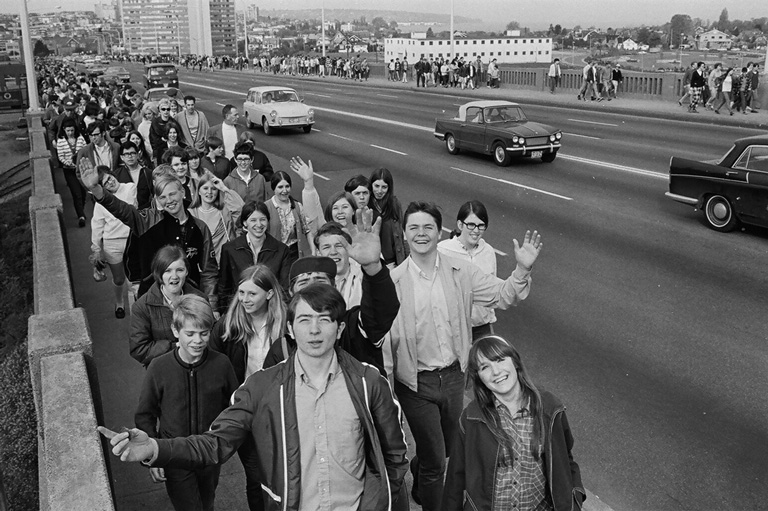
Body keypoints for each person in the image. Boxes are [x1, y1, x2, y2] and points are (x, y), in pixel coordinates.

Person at [98, 284, 409, 511]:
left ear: (339, 328)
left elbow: (395, 457)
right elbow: (213, 443)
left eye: (324, 319)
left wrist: (381, 500)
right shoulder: (262, 388)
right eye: (304, 320)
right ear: (289, 327)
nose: (315, 330)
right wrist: (155, 447)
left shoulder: (369, 383)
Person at [388, 201, 542, 511]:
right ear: (404, 234)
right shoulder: (393, 282)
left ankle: (421, 469)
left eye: (428, 227)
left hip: (455, 377)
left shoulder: (460, 271)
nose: (421, 234)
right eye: (414, 227)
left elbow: (502, 295)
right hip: (415, 382)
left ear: (440, 231)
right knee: (436, 462)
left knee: (444, 448)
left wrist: (522, 269)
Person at [442, 336, 585, 511]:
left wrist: (574, 499)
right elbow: (456, 476)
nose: (496, 372)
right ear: (479, 377)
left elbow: (565, 459)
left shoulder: (549, 408)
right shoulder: (472, 418)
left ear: (515, 361)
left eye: (499, 360)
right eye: (485, 367)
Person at [135, 294, 238, 511]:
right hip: (175, 456)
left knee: (207, 502)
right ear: (175, 331)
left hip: (209, 455)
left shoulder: (222, 364)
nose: (198, 341)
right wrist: (153, 456)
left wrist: (224, 443)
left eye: (204, 333)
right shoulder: (159, 367)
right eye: (190, 334)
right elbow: (145, 414)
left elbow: (234, 408)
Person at [79, 161, 219, 303]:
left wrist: (212, 305)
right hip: (154, 301)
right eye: (163, 197)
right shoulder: (147, 220)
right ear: (157, 198)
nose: (169, 201)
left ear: (182, 192)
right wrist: (96, 189)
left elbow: (209, 272)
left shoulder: (200, 227)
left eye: (172, 194)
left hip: (190, 300)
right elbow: (122, 210)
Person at [209, 264, 287, 510]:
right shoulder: (227, 326)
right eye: (241, 293)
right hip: (246, 412)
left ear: (270, 294)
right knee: (256, 477)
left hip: (280, 411)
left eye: (252, 294)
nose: (244, 299)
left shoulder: (286, 325)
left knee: (284, 471)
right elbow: (212, 369)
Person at [129, 246, 209, 366]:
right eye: (168, 270)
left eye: (180, 270)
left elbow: (210, 337)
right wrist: (177, 346)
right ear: (158, 273)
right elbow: (139, 350)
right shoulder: (142, 307)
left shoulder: (201, 299)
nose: (174, 276)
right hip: (163, 371)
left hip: (198, 368)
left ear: (187, 271)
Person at [438, 200, 498, 339]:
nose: (476, 231)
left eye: (481, 226)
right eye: (471, 225)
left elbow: (492, 290)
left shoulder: (488, 251)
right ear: (460, 225)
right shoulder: (443, 251)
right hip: (453, 329)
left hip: (482, 328)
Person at [218, 201, 291, 309]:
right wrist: (226, 312)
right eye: (253, 220)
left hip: (270, 310)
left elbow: (284, 289)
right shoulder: (230, 249)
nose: (259, 224)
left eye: (263, 219)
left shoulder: (281, 250)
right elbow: (224, 287)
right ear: (244, 223)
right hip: (239, 309)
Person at [90, 166, 137, 318]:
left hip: (133, 239)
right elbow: (97, 225)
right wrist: (96, 249)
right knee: (119, 278)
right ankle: (119, 302)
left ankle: (138, 307)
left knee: (134, 278)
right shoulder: (100, 203)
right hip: (112, 243)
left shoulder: (130, 188)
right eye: (105, 183)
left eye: (110, 178)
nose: (110, 182)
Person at [188, 171, 245, 264]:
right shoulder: (191, 213)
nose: (209, 192)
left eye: (213, 189)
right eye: (205, 188)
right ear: (199, 191)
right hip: (202, 265)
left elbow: (241, 210)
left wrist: (224, 188)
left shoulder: (224, 210)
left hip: (226, 262)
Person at [267, 171, 314, 263]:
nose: (284, 190)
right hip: (274, 255)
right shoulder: (266, 207)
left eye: (287, 186)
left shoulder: (297, 206)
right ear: (274, 188)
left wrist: (313, 251)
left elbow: (307, 230)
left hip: (294, 254)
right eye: (280, 187)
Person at [315, 222, 363, 308]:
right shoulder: (313, 284)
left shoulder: (364, 278)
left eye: (339, 246)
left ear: (348, 249)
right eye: (326, 247)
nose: (333, 252)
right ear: (318, 253)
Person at [369, 167, 408, 268]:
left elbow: (402, 234)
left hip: (394, 262)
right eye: (376, 186)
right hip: (374, 262)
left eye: (384, 187)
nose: (379, 191)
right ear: (371, 185)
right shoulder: (366, 205)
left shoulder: (395, 204)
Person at [54, 117, 88, 227]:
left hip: (81, 169)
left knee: (83, 193)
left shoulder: (81, 138)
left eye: (72, 130)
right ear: (64, 130)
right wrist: (70, 163)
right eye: (68, 130)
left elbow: (85, 151)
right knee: (76, 192)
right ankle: (81, 216)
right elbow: (60, 157)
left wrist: (79, 163)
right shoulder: (61, 141)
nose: (70, 133)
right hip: (69, 170)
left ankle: (81, 210)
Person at [149, 97, 174, 165]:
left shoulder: (173, 122)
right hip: (158, 153)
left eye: (168, 109)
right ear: (159, 110)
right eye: (163, 109)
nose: (166, 111)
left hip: (171, 152)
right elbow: (154, 139)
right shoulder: (155, 122)